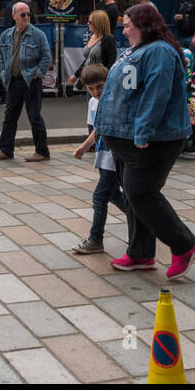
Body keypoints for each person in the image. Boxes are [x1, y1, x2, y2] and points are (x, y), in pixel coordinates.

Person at [95, 3, 195, 278]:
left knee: (141, 193)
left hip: (150, 139)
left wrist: (143, 131)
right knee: (132, 196)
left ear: (144, 24)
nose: (124, 29)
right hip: (123, 136)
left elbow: (157, 93)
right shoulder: (135, 50)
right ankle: (141, 253)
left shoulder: (160, 51)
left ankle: (184, 245)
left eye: (128, 24)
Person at [71, 64, 124, 255]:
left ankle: (96, 239)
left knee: (100, 196)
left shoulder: (114, 100)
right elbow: (97, 129)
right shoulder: (93, 103)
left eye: (100, 86)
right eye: (91, 88)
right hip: (103, 155)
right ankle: (145, 220)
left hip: (115, 156)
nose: (96, 92)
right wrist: (84, 147)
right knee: (113, 195)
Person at [0, 2, 53, 162]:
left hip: (30, 82)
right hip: (13, 81)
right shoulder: (6, 34)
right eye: (23, 14)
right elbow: (1, 55)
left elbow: (47, 57)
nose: (27, 17)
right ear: (14, 16)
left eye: (28, 14)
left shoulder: (38, 34)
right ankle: (5, 150)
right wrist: (4, 71)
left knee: (35, 117)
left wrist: (37, 74)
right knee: (9, 118)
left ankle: (42, 152)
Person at [67, 10, 117, 92]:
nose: (87, 24)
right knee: (91, 103)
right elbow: (88, 60)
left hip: (100, 83)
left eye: (90, 22)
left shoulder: (108, 39)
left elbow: (112, 62)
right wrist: (76, 75)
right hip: (89, 80)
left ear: (98, 23)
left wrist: (102, 79)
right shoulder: (93, 36)